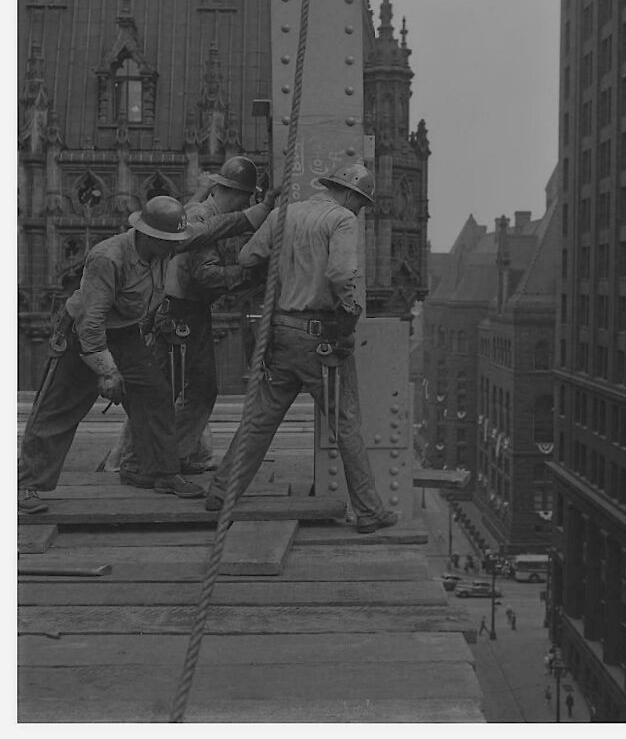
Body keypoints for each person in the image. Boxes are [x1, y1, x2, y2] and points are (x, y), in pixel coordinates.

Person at [18, 194, 273, 514]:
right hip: (82, 338)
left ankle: (164, 473)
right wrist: (107, 371)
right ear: (149, 235)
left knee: (155, 395)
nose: (174, 248)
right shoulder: (108, 257)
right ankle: (26, 485)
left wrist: (263, 210)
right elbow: (91, 321)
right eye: (168, 242)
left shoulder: (165, 243)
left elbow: (214, 228)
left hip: (125, 334)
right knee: (57, 410)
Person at [205, 163, 398, 535]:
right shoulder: (341, 220)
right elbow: (342, 274)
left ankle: (220, 492)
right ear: (351, 195)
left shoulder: (283, 213)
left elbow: (247, 258)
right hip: (320, 338)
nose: (359, 210)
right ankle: (369, 511)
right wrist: (349, 312)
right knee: (346, 425)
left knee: (259, 421)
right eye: (361, 203)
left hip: (280, 333)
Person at [116, 157, 278, 481]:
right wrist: (252, 273)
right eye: (246, 198)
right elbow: (204, 276)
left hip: (190, 313)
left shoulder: (204, 213)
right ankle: (136, 462)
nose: (247, 204)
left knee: (200, 390)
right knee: (163, 391)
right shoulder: (201, 217)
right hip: (179, 315)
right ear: (233, 193)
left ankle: (178, 454)